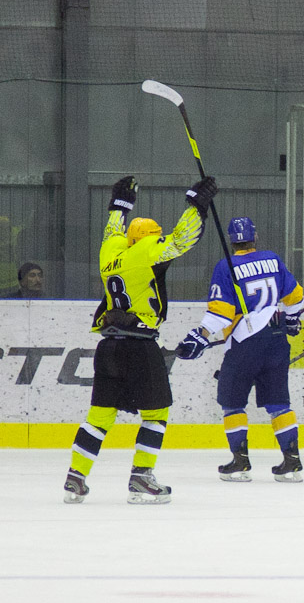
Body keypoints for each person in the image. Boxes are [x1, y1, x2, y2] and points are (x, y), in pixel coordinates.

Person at [63, 175, 215, 504]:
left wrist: (119, 206)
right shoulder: (148, 252)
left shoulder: (111, 253)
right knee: (156, 413)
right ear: (148, 239)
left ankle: (76, 476)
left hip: (109, 346)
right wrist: (196, 206)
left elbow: (112, 232)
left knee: (99, 416)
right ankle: (141, 478)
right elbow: (181, 240)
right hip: (140, 346)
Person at [175, 217, 304, 483]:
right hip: (276, 339)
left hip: (245, 342)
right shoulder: (272, 259)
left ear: (231, 241)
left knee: (232, 401)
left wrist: (199, 336)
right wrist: (292, 319)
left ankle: (240, 463)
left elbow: (221, 313)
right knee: (278, 403)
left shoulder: (226, 266)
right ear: (254, 237)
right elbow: (296, 298)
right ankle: (292, 461)